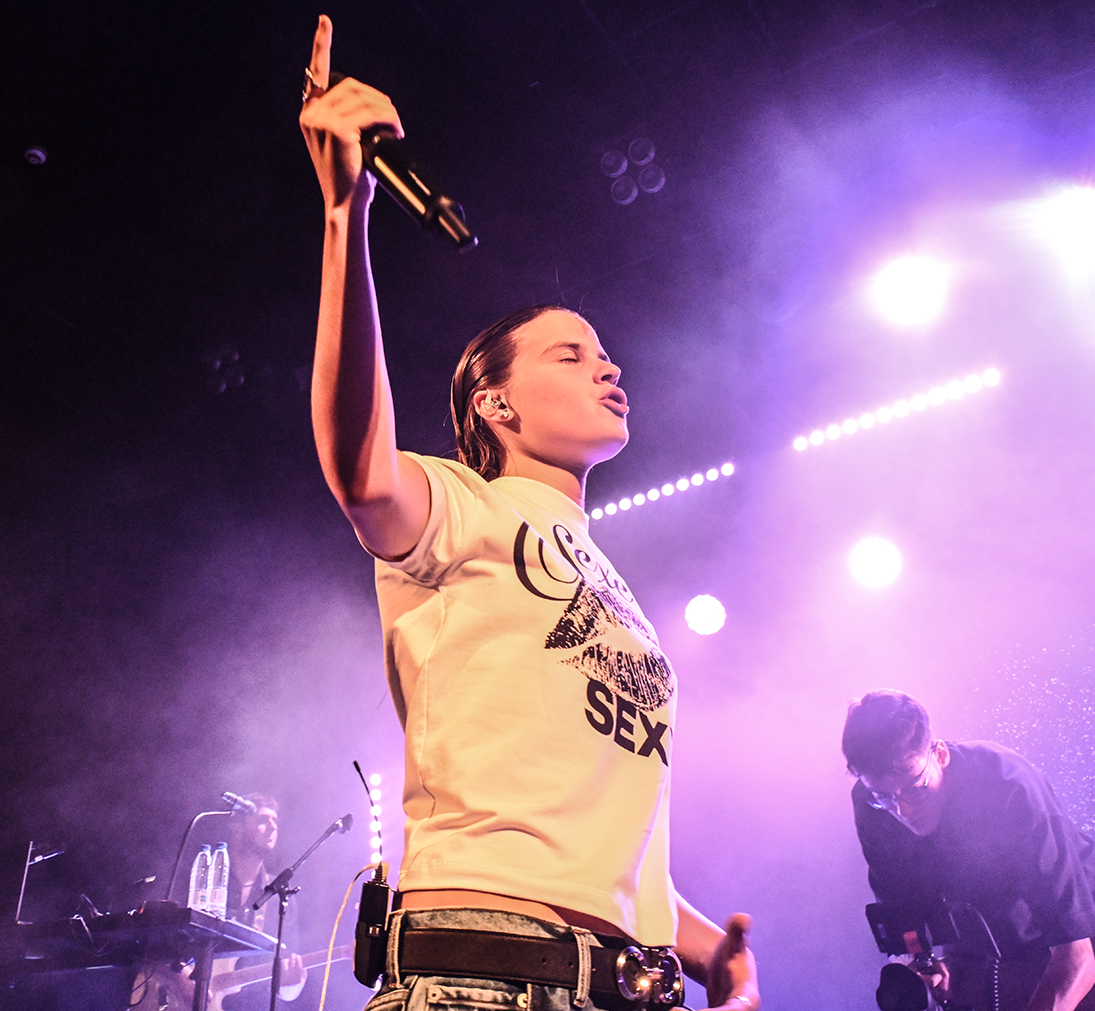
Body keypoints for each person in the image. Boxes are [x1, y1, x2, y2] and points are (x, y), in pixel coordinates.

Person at [297, 15, 758, 1011]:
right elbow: (359, 470)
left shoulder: (614, 583)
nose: (608, 367)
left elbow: (602, 843)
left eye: (607, 355)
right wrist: (345, 214)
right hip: (485, 973)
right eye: (571, 354)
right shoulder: (460, 503)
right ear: (495, 405)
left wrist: (708, 949)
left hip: (620, 986)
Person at [842, 691, 1095, 1011]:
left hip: (1088, 928)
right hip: (984, 942)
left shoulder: (1007, 786)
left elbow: (1078, 959)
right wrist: (923, 961)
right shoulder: (871, 805)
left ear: (940, 755)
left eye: (916, 789)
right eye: (884, 797)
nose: (902, 811)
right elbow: (902, 907)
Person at [220, 795, 307, 1010]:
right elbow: (163, 938)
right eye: (262, 820)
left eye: (275, 821)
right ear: (237, 827)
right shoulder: (210, 875)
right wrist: (182, 979)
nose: (273, 827)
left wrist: (291, 986)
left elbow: (286, 975)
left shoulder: (280, 896)